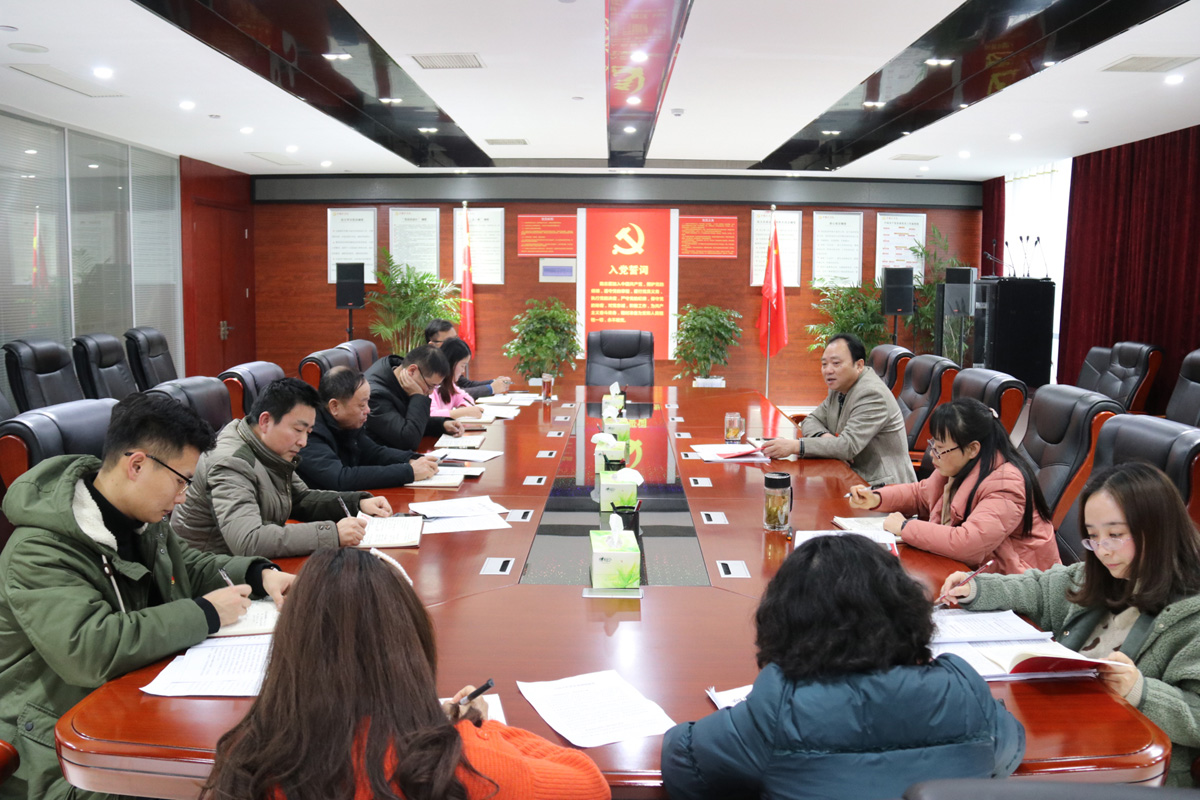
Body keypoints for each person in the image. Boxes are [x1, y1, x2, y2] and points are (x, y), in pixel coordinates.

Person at [0, 392, 296, 800]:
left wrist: (258, 575)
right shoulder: (39, 551)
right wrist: (206, 613)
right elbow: (90, 650)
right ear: (137, 465)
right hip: (59, 751)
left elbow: (188, 564)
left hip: (130, 706)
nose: (184, 496)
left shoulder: (139, 517)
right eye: (181, 481)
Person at [203, 547, 611, 800]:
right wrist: (481, 730)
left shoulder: (248, 757)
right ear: (408, 645)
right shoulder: (466, 766)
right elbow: (590, 784)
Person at [661, 534, 1023, 800]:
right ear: (908, 611)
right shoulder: (963, 690)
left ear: (786, 621)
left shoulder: (780, 705)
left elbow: (683, 760)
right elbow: (1008, 749)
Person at [940, 461, 1200, 787]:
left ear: (1157, 529)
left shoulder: (1191, 613)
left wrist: (1139, 690)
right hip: (1065, 729)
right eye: (1093, 537)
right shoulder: (1102, 576)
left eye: (1115, 535)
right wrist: (977, 588)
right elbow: (1039, 589)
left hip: (1129, 768)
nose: (1102, 550)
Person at [172, 377, 392, 558]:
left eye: (308, 432)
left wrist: (358, 502)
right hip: (212, 576)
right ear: (265, 421)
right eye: (298, 430)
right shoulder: (231, 462)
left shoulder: (266, 447)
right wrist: (332, 533)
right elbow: (248, 540)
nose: (303, 442)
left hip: (249, 567)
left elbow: (300, 499)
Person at [848, 398, 1059, 574]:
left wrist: (905, 527)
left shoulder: (1006, 485)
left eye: (940, 448)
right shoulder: (958, 466)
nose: (933, 454)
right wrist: (877, 497)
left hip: (1021, 584)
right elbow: (920, 494)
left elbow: (969, 544)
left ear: (972, 449)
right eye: (933, 444)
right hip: (972, 572)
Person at [763, 333, 916, 486]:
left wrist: (796, 446)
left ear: (859, 365)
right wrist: (825, 437)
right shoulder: (839, 387)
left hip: (882, 485)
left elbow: (847, 446)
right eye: (824, 364)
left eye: (836, 363)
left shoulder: (872, 394)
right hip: (848, 475)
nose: (828, 370)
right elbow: (811, 420)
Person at [298, 366, 440, 490]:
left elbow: (374, 453)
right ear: (334, 406)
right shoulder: (308, 432)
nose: (368, 410)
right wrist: (409, 472)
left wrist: (413, 459)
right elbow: (340, 478)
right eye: (362, 405)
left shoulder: (346, 422)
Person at [365, 344, 465, 451]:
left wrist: (441, 425)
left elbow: (408, 420)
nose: (431, 392)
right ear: (412, 371)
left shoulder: (399, 372)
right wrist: (418, 396)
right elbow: (408, 440)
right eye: (430, 386)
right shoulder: (375, 396)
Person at [425, 318, 512, 398]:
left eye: (456, 339)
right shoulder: (428, 369)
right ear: (432, 345)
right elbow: (451, 395)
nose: (456, 344)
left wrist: (495, 382)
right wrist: (491, 388)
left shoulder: (450, 363)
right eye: (450, 341)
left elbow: (466, 384)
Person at [430, 337, 485, 419]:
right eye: (462, 366)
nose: (463, 371)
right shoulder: (430, 385)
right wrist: (462, 412)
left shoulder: (449, 385)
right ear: (451, 363)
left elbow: (467, 398)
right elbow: (431, 415)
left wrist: (463, 407)